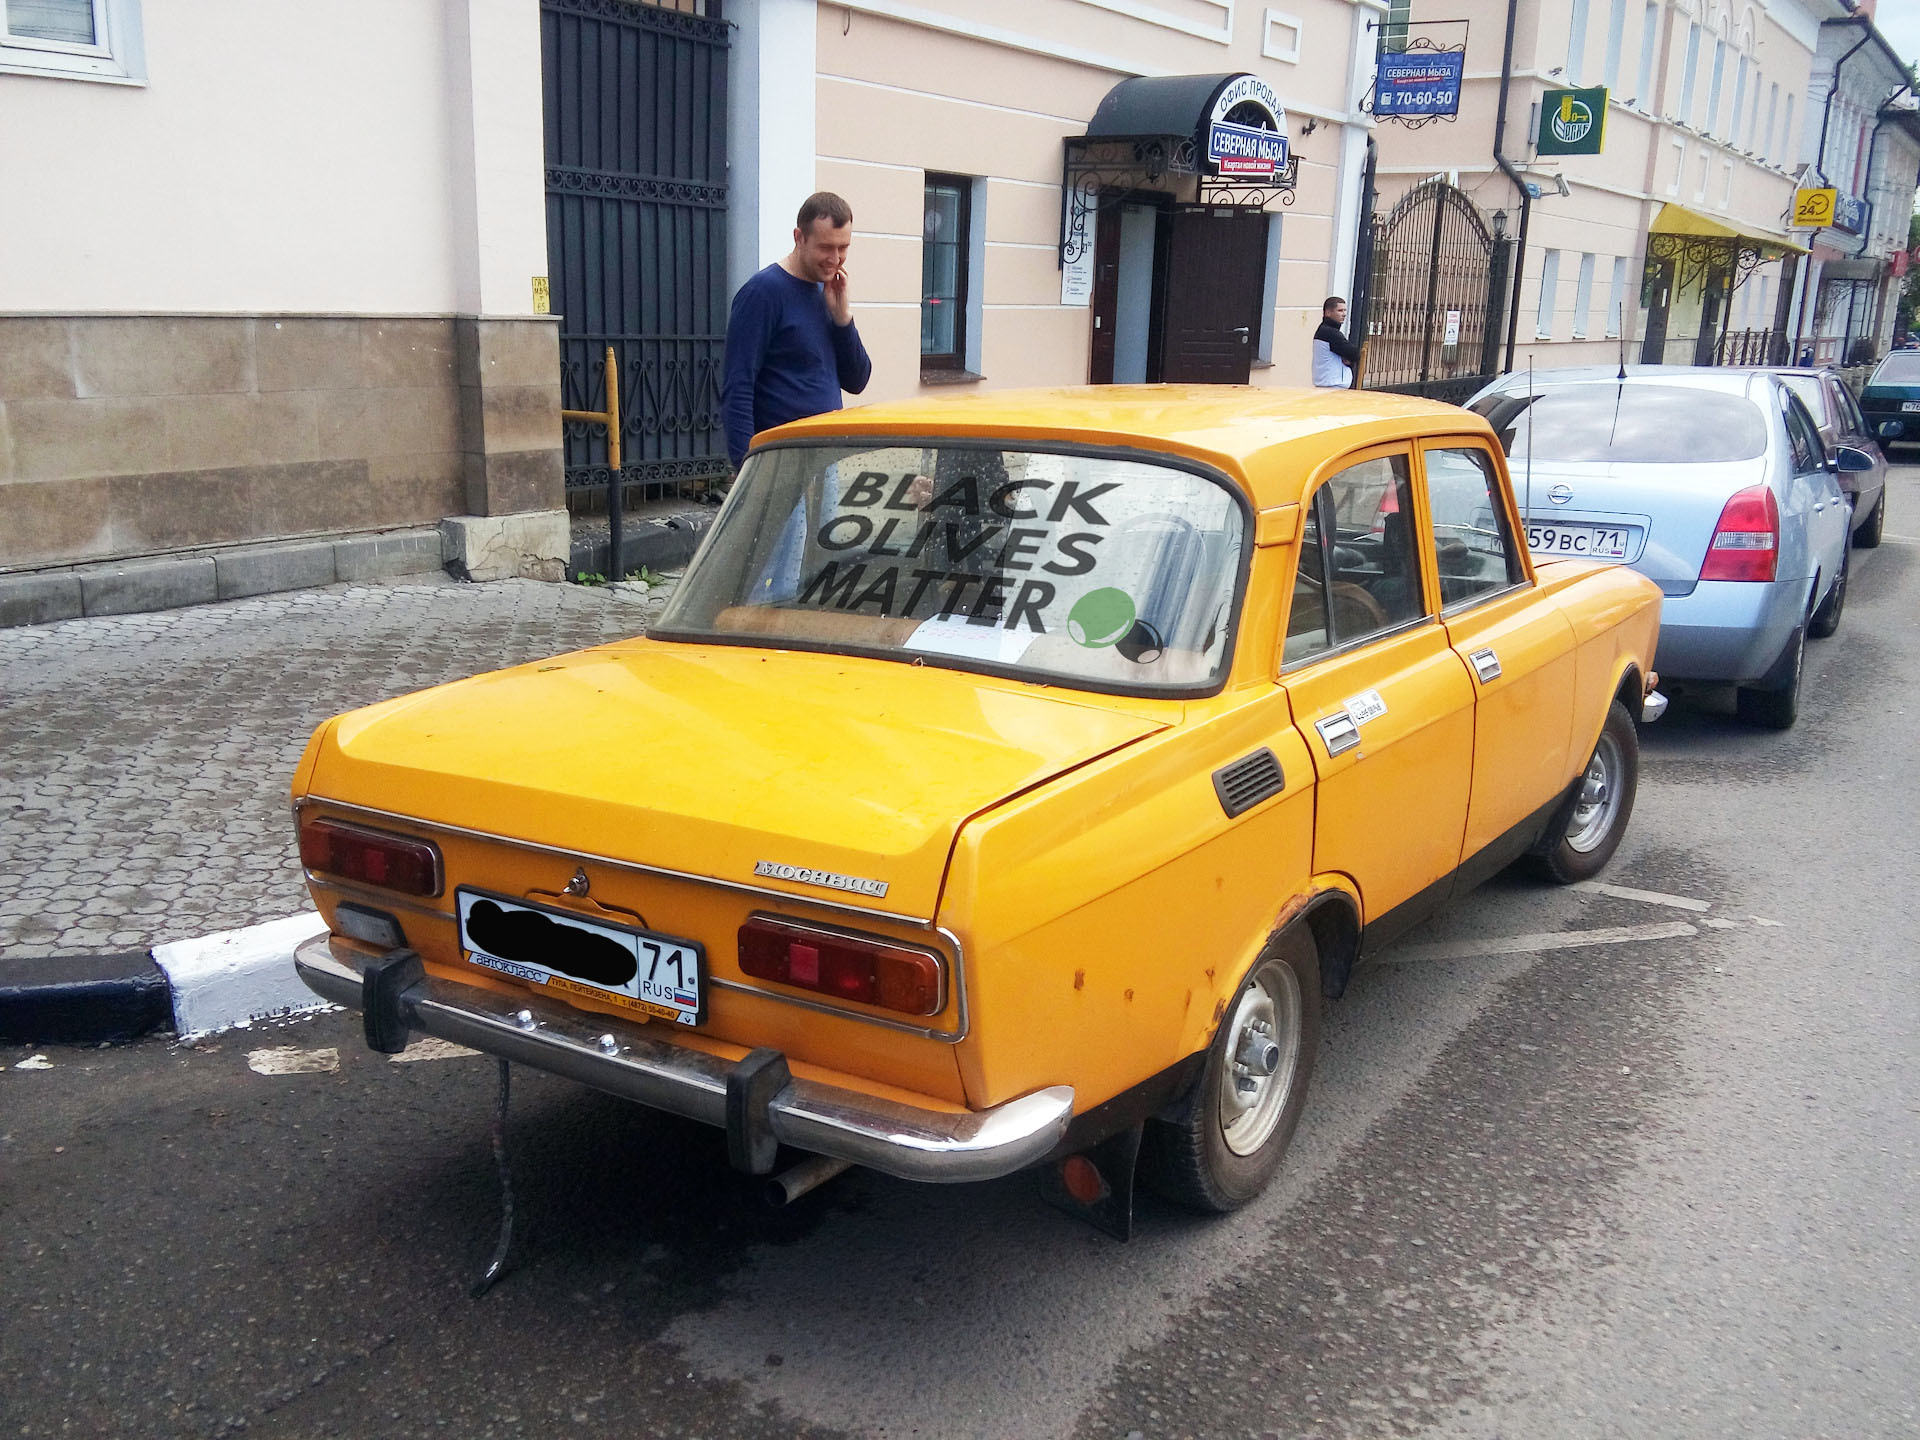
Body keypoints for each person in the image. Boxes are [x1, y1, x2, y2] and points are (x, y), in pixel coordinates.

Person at [722, 191, 874, 471]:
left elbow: (857, 380)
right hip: (779, 464)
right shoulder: (763, 292)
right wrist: (747, 467)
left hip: (826, 458)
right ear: (799, 238)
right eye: (826, 247)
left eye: (843, 248)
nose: (836, 258)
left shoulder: (827, 291)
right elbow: (738, 385)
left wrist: (842, 319)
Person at [1312, 296, 1362, 389]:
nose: (1344, 314)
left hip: (1330, 385)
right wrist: (1350, 359)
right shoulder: (1330, 333)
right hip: (1332, 386)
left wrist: (1349, 359)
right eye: (1340, 310)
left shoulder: (1326, 331)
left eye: (1345, 310)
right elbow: (1355, 353)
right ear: (1328, 313)